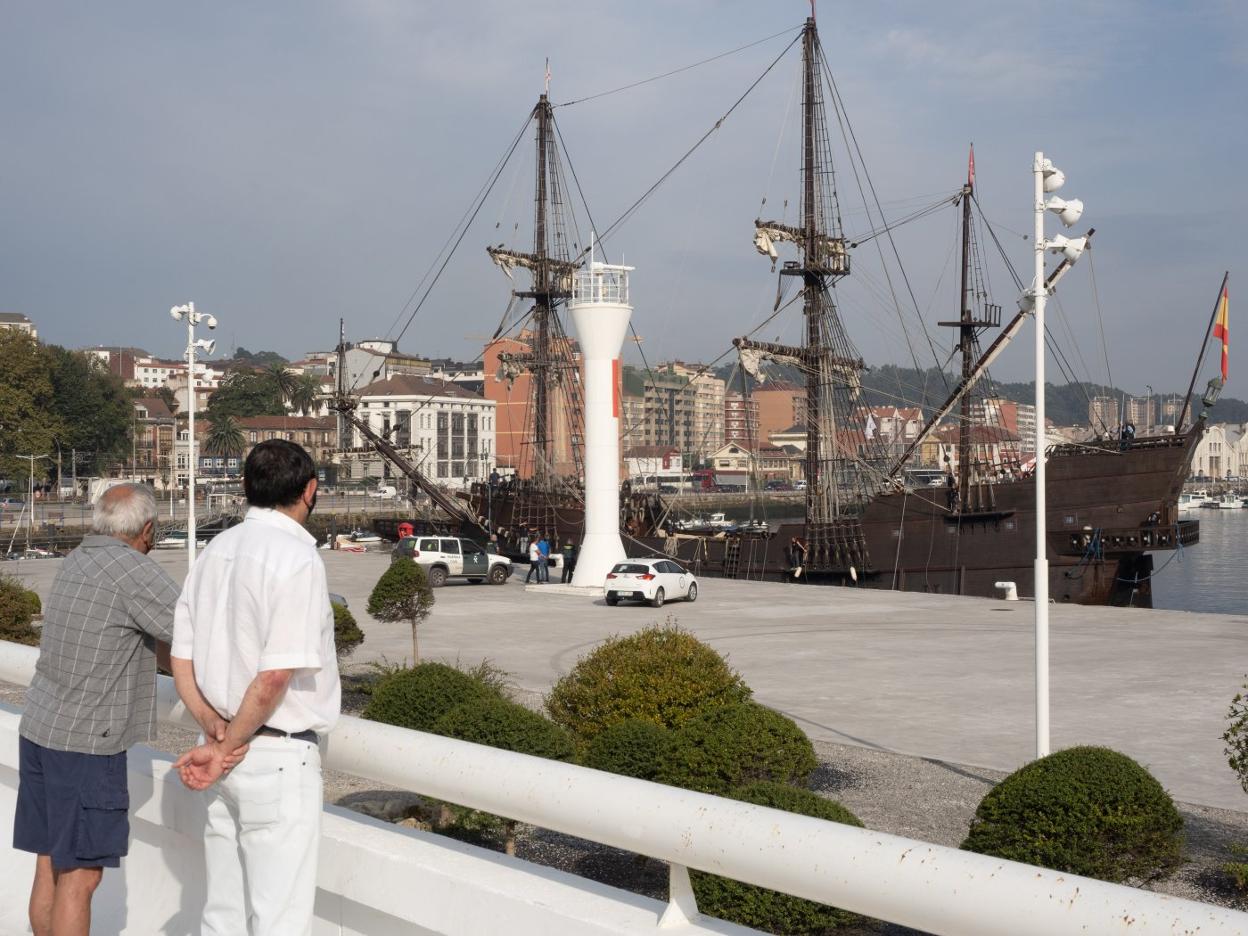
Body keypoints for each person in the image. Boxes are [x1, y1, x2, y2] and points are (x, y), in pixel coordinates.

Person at [171, 440, 340, 935]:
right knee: (279, 920)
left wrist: (213, 730)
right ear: (310, 491)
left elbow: (181, 659)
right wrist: (230, 745)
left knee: (221, 914)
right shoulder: (297, 558)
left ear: (248, 489)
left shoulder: (214, 550)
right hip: (271, 756)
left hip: (225, 749)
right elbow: (274, 677)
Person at [14, 484, 195, 936]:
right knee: (82, 876)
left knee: (49, 864)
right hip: (85, 744)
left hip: (40, 727)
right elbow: (193, 632)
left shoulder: (78, 558)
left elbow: (143, 635)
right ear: (147, 529)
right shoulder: (133, 569)